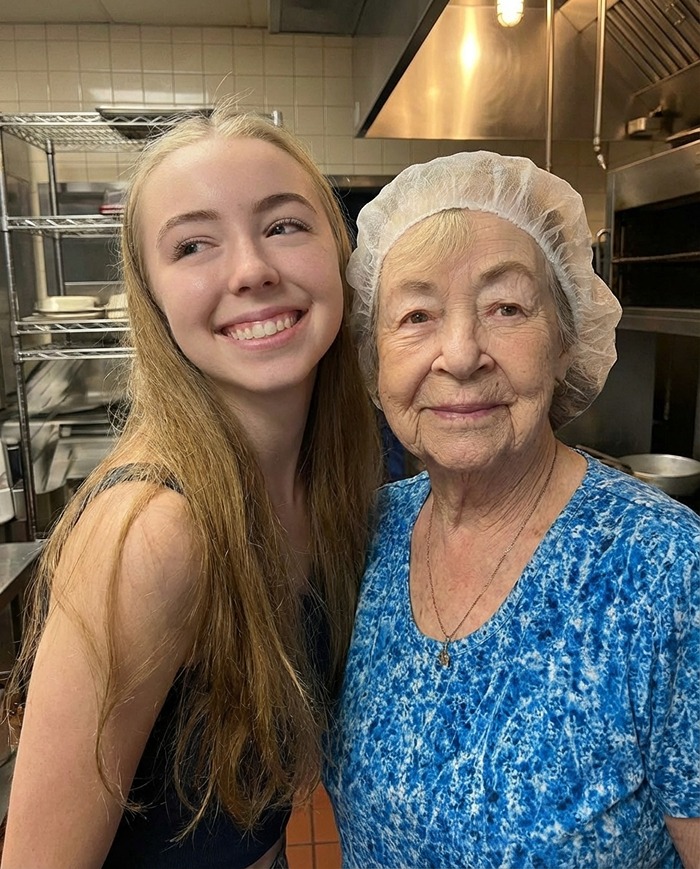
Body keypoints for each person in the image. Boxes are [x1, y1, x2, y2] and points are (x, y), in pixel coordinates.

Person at [1, 102, 379, 869]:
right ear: (154, 299)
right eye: (193, 245)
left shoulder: (332, 486)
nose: (252, 270)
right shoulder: (158, 535)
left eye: (283, 225)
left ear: (341, 255)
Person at [324, 151, 700, 868]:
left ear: (565, 341)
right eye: (416, 315)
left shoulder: (668, 572)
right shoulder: (364, 537)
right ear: (375, 361)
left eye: (506, 308)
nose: (461, 354)